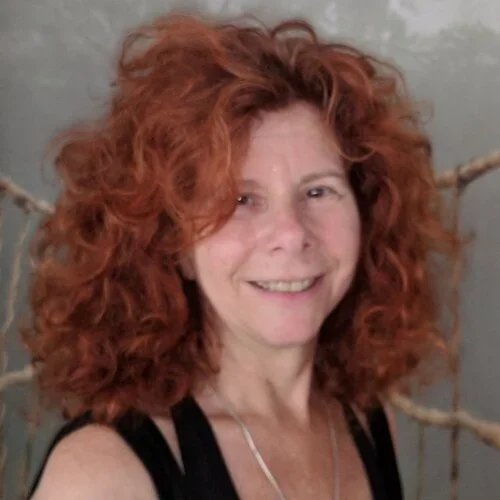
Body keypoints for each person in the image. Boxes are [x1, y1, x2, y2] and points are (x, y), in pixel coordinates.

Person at [24, 11, 460, 500]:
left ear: (368, 214)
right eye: (240, 199)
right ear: (174, 244)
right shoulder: (102, 475)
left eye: (318, 191)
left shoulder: (370, 423)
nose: (291, 234)